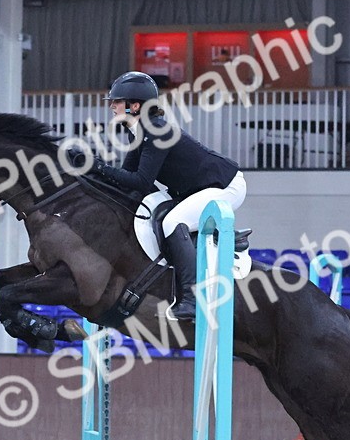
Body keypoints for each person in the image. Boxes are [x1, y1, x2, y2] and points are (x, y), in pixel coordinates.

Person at [91, 71, 246, 321]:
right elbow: (126, 179)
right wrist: (90, 172)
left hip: (224, 186)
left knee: (173, 222)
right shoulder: (139, 131)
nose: (112, 106)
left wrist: (99, 167)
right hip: (198, 189)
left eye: (117, 102)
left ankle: (192, 300)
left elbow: (141, 182)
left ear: (134, 106)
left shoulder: (156, 131)